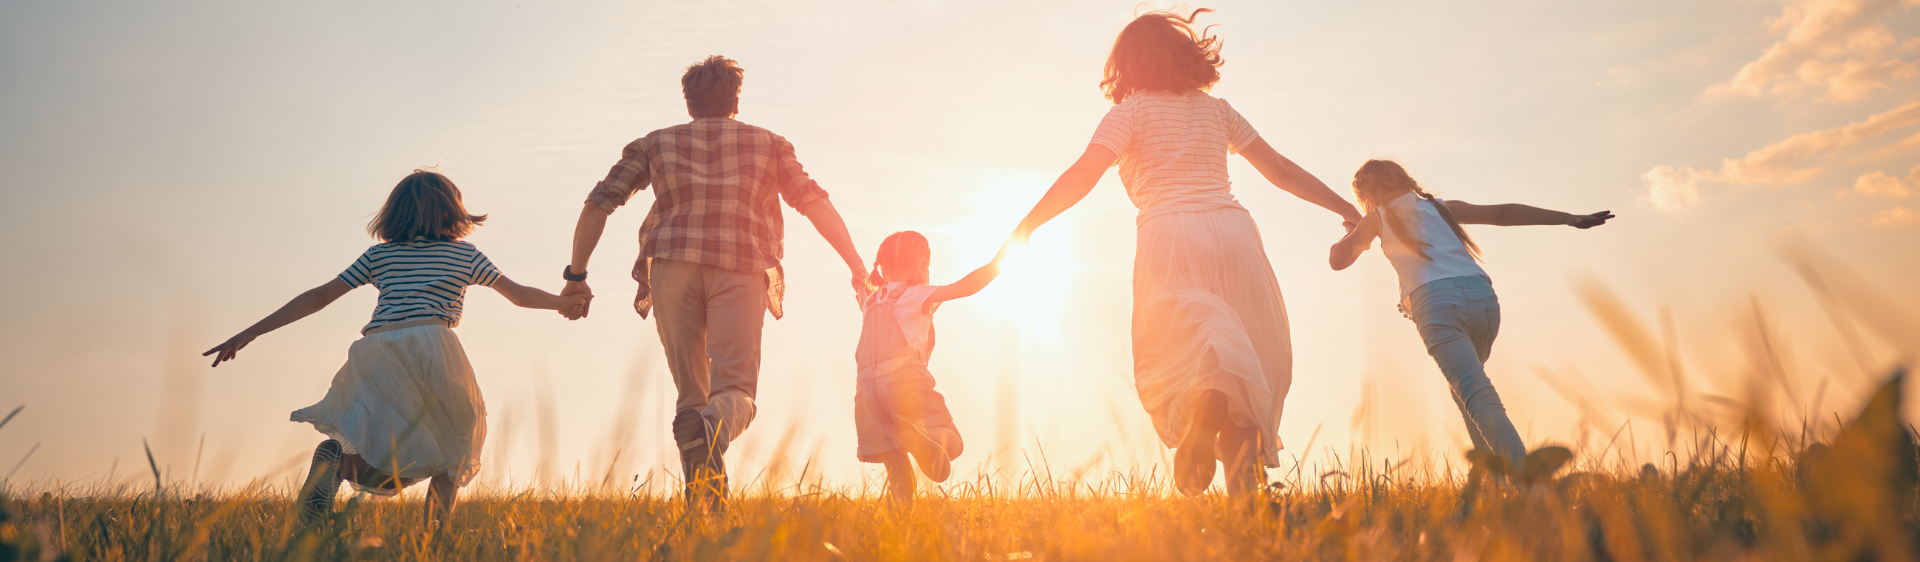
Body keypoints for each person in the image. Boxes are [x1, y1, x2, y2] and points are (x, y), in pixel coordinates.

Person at [1007, 8, 1362, 497]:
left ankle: (1204, 404)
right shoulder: (1217, 110)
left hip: (1169, 233)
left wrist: (1026, 227)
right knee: (1249, 361)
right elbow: (1280, 171)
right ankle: (1247, 502)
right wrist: (1347, 209)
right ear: (1186, 55)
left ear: (1125, 65)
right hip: (1235, 233)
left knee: (1186, 349)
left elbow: (1083, 176)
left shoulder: (1128, 113)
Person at [202, 170, 586, 534]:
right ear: (451, 210)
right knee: (456, 443)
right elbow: (520, 296)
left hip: (377, 348)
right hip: (433, 345)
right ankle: (434, 539)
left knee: (384, 441)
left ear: (394, 213)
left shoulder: (380, 256)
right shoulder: (464, 255)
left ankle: (337, 463)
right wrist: (564, 303)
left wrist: (251, 331)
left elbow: (319, 297)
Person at [558, 55, 867, 505]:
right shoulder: (769, 143)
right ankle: (708, 445)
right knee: (736, 390)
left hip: (671, 266)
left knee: (693, 394)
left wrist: (576, 275)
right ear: (735, 100)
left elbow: (599, 203)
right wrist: (856, 265)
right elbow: (813, 202)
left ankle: (706, 505)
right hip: (740, 264)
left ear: (689, 103)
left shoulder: (653, 143)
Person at [1328, 159, 1612, 473]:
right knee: (1465, 391)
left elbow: (1338, 261)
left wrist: (1352, 231)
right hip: (1484, 301)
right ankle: (1492, 479)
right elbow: (1504, 213)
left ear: (1366, 194)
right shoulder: (1440, 208)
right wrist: (1570, 218)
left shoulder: (1376, 218)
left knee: (1475, 393)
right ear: (1404, 179)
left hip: (1437, 304)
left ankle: (1530, 484)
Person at [852, 232, 1007, 504]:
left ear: (882, 267)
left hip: (867, 391)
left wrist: (858, 274)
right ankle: (918, 434)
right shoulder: (917, 295)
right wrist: (1000, 261)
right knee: (952, 444)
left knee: (894, 462)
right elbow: (966, 287)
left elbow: (860, 287)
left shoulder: (871, 302)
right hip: (903, 382)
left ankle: (900, 521)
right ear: (920, 266)